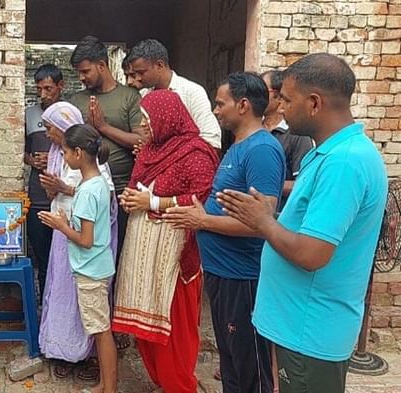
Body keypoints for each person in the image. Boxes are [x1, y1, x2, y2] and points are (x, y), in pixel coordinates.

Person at [218, 54, 388, 393]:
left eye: (287, 99)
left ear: (314, 103)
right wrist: (271, 218)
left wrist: (263, 222)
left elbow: (312, 254)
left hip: (310, 331)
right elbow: (312, 229)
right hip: (298, 326)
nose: (279, 107)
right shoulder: (328, 153)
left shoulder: (344, 162)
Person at [163, 72, 285, 393]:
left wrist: (202, 222)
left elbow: (261, 223)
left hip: (243, 277)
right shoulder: (237, 146)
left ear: (243, 105)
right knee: (231, 363)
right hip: (222, 273)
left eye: (221, 103)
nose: (215, 110)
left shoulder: (261, 150)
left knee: (251, 370)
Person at [113, 90, 219, 393]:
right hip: (143, 251)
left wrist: (153, 202)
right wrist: (131, 198)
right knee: (146, 324)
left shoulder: (195, 152)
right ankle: (162, 380)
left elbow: (201, 198)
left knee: (174, 325)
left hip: (173, 255)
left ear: (165, 119)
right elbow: (139, 186)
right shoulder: (149, 150)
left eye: (146, 120)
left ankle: (179, 384)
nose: (143, 127)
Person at [68, 36, 144, 353]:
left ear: (102, 65)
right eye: (79, 74)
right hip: (82, 193)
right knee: (87, 261)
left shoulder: (130, 97)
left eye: (86, 71)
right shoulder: (76, 99)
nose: (82, 78)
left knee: (117, 260)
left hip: (122, 197)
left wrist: (103, 128)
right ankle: (89, 332)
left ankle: (116, 328)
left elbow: (141, 142)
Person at [37, 102, 117, 380]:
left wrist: (61, 224)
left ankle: (107, 384)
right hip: (93, 263)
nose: (64, 156)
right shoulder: (91, 184)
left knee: (99, 328)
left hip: (89, 265)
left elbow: (86, 238)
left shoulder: (88, 189)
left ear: (78, 153)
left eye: (68, 153)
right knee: (97, 323)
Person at [127, 39, 222, 151]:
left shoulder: (191, 92)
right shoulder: (144, 96)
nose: (137, 78)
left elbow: (211, 141)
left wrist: (172, 158)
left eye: (141, 72)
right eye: (135, 73)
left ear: (159, 65)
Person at [25, 64, 64, 301]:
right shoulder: (29, 114)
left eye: (48, 88)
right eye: (39, 89)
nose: (43, 94)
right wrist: (33, 160)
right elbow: (22, 152)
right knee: (42, 257)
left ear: (61, 86)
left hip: (63, 196)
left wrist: (52, 158)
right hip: (38, 196)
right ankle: (44, 303)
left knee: (63, 257)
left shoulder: (69, 113)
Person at [261, 69, 313, 207]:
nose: (257, 97)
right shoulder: (254, 131)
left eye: (262, 91)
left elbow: (303, 185)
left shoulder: (297, 135)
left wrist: (264, 185)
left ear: (278, 96)